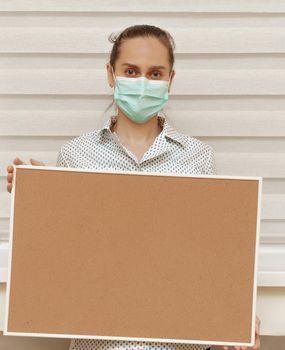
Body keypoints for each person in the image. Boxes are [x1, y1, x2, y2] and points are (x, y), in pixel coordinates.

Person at [6, 24, 261, 350]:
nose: (143, 83)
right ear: (111, 75)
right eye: (131, 71)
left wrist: (234, 321)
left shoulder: (198, 157)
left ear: (170, 80)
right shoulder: (74, 154)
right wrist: (37, 199)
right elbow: (64, 267)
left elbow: (208, 265)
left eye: (155, 74)